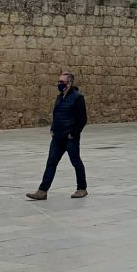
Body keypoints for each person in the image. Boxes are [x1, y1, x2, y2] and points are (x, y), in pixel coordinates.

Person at [28, 71, 89, 200]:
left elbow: (82, 119)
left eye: (62, 82)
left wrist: (73, 133)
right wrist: (52, 129)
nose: (59, 84)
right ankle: (42, 191)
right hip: (57, 137)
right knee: (51, 162)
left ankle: (82, 188)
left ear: (69, 83)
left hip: (70, 138)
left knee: (76, 162)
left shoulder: (77, 97)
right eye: (59, 81)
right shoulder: (60, 97)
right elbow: (56, 114)